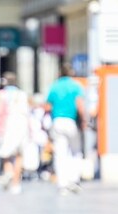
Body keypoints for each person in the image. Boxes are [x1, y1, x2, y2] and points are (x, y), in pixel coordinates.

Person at [45, 64, 85, 195]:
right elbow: (80, 104)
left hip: (57, 121)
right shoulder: (75, 85)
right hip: (71, 121)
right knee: (75, 151)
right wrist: (84, 120)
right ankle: (74, 180)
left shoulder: (54, 86)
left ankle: (62, 184)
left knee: (60, 153)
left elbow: (47, 106)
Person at [0, 72, 30, 194]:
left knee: (6, 154)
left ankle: (8, 173)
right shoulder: (22, 95)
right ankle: (16, 183)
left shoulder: (1, 95)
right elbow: (27, 113)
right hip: (21, 125)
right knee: (19, 155)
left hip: (6, 125)